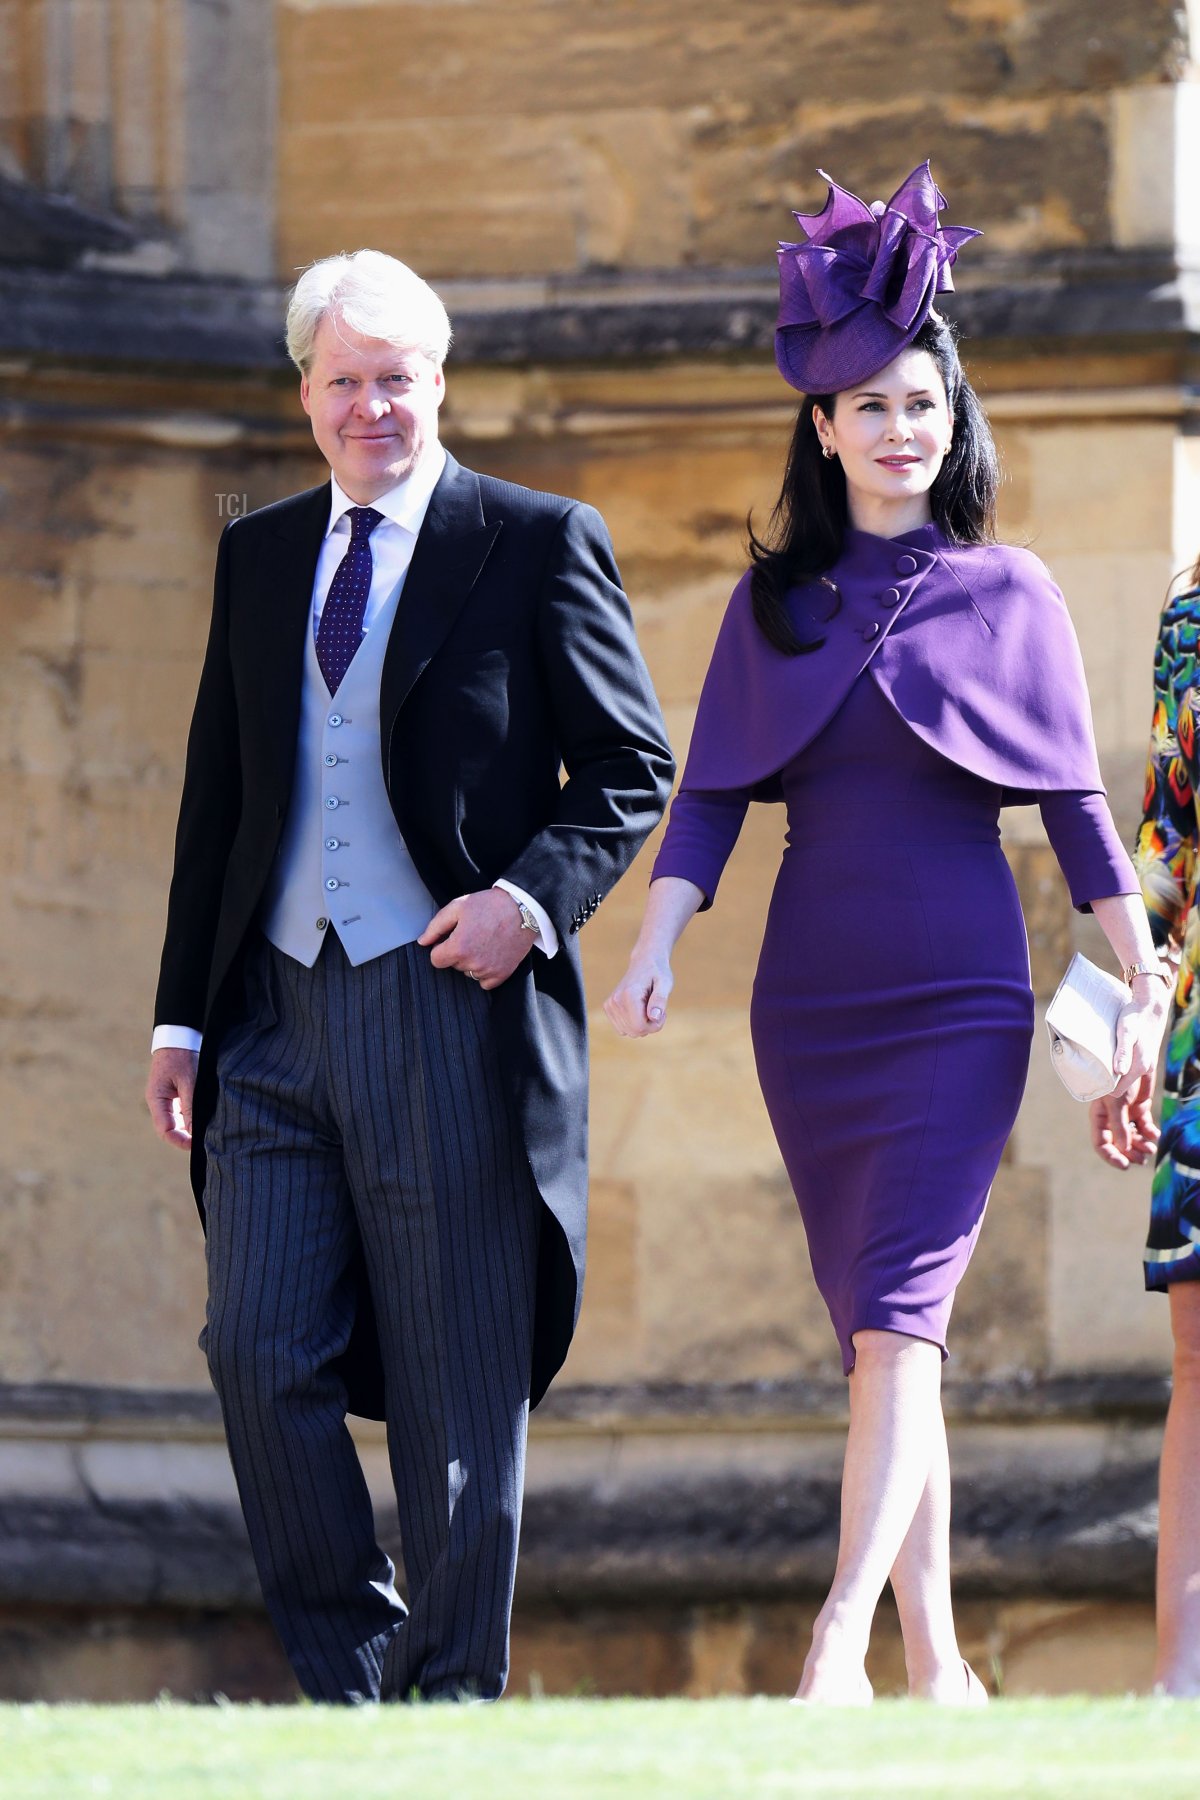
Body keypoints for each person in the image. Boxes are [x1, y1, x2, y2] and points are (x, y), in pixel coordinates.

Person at [606, 163, 1170, 1704]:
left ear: (950, 416)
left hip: (960, 1002)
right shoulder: (772, 604)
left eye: (921, 403)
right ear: (824, 427)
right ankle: (938, 1657)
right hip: (814, 1005)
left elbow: (1074, 811)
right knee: (881, 1336)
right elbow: (713, 797)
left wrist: (1146, 972)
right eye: (868, 406)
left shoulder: (1016, 591)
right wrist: (657, 942)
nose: (898, 428)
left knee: (901, 1326)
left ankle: (835, 1639)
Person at [144, 250, 674, 1704]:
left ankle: (445, 1712)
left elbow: (632, 769)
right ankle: (353, 1680)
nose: (371, 405)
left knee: (454, 1384)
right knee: (256, 1351)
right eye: (344, 380)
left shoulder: (534, 536)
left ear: (439, 384)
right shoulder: (257, 554)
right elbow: (220, 796)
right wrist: (181, 1015)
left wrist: (527, 903)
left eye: (398, 379)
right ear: (304, 391)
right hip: (268, 1015)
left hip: (444, 1003)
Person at [1089, 550, 1200, 1697]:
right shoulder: (1195, 609)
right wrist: (1135, 1007)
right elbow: (1167, 836)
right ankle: (1182, 1685)